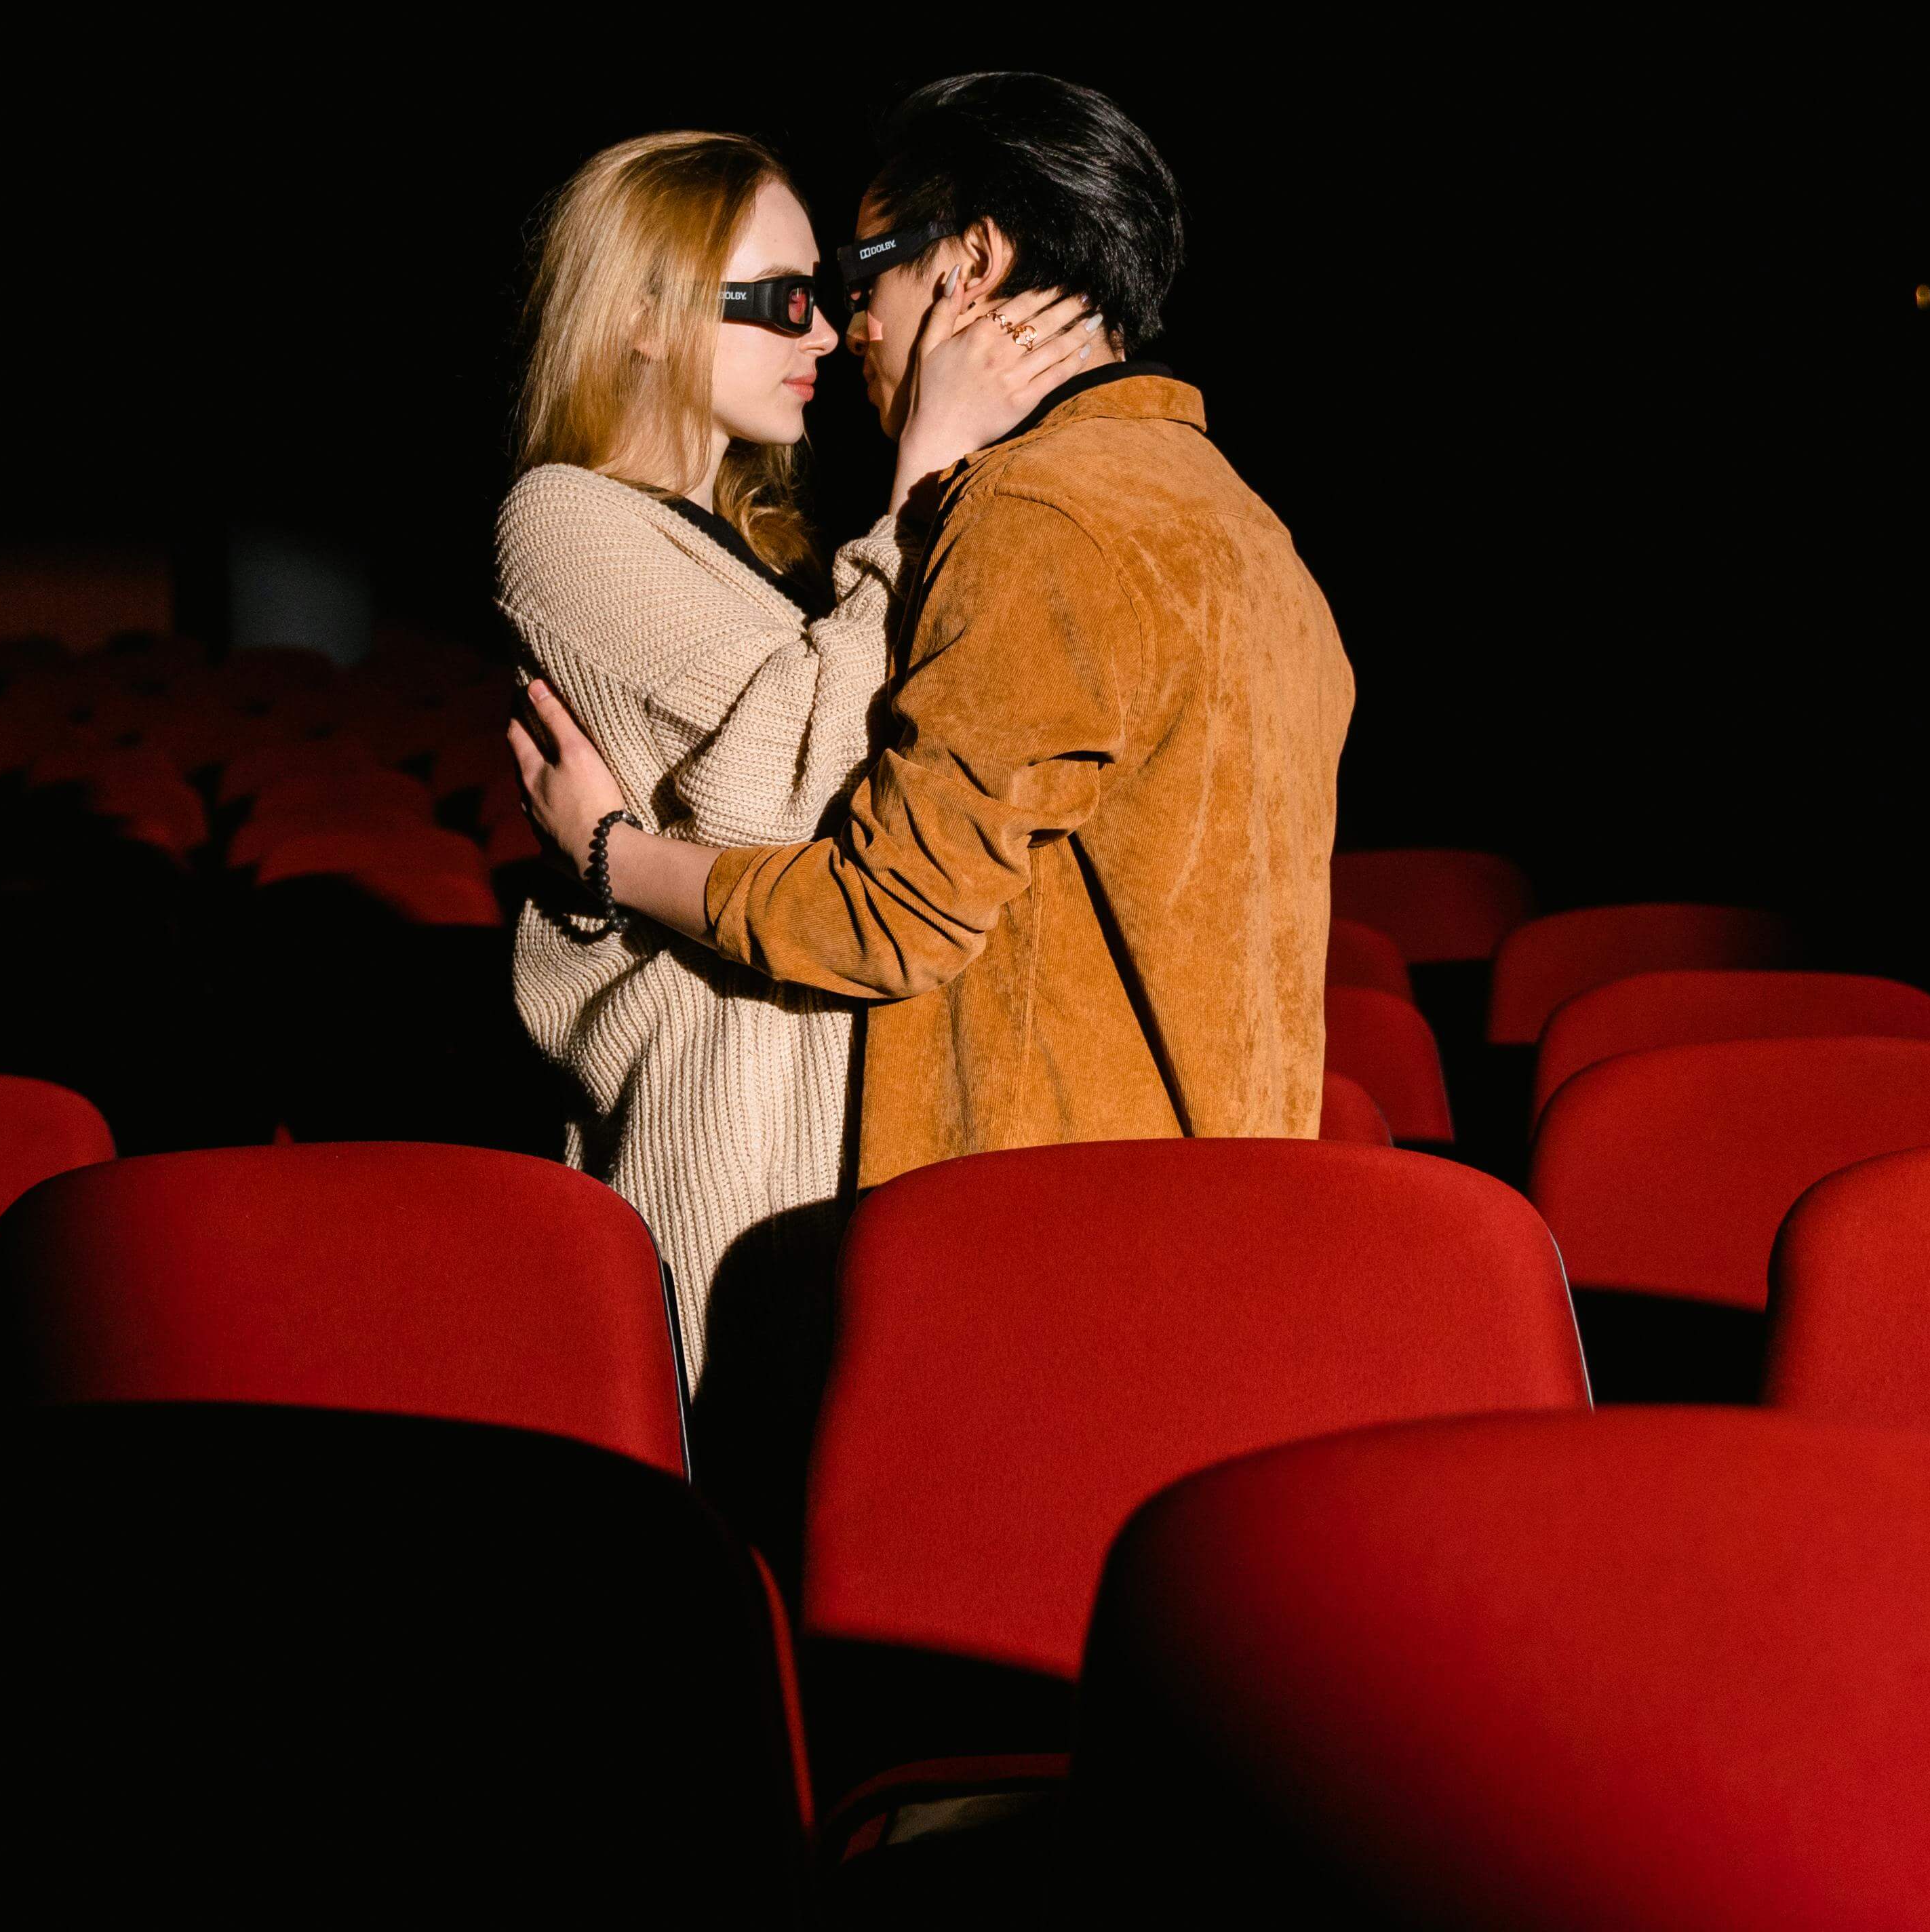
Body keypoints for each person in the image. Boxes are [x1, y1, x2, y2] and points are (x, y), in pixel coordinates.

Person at [509, 74, 1354, 1189]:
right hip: (1201, 1201)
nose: (844, 326)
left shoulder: (1032, 514)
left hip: (1040, 1218)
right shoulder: (1248, 525)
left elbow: (882, 912)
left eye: (859, 275)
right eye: (790, 298)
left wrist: (612, 855)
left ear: (970, 266)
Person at [496, 130, 1103, 1392]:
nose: (826, 333)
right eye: (781, 302)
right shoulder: (561, 517)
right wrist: (922, 479)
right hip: (730, 1152)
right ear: (645, 316)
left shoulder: (762, 548)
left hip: (845, 1143)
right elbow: (782, 800)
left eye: (820, 299)